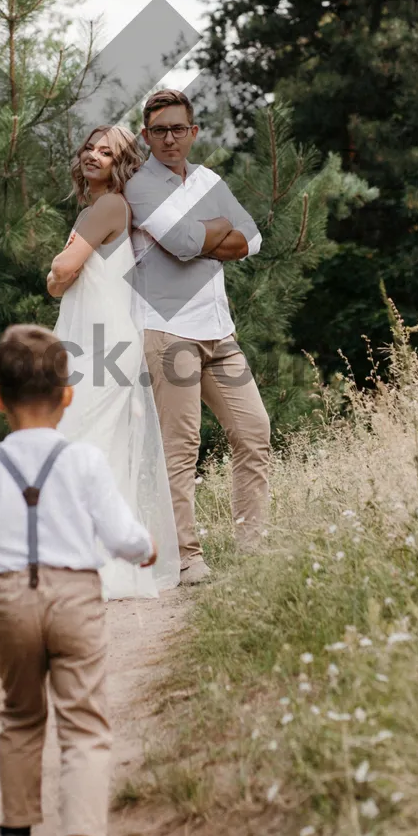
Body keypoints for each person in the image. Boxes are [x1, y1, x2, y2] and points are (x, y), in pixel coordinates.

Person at [0, 323, 155, 836]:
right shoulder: (83, 461)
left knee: (20, 713)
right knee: (84, 721)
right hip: (76, 600)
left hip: (9, 600)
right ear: (69, 396)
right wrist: (144, 550)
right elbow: (121, 533)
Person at [124, 88, 271, 587]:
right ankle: (186, 558)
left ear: (194, 132)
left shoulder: (209, 180)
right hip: (168, 332)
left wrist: (207, 237)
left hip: (219, 331)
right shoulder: (139, 186)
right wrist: (216, 233)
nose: (169, 138)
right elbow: (185, 245)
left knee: (254, 434)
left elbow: (252, 237)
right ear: (146, 136)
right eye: (159, 130)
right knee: (181, 447)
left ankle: (252, 548)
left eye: (178, 129)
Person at [44, 123, 180, 598]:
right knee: (97, 446)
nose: (94, 156)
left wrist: (56, 275)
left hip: (98, 342)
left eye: (107, 152)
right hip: (102, 338)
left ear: (120, 165)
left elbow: (61, 271)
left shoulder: (105, 206)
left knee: (80, 442)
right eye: (90, 147)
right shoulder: (109, 208)